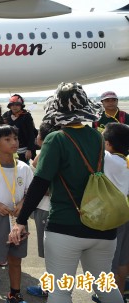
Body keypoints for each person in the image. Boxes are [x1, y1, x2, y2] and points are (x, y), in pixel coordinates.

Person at [10, 82, 123, 303]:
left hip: (66, 226)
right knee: (105, 287)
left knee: (60, 291)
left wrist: (21, 220)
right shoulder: (97, 137)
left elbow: (41, 182)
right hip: (102, 226)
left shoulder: (56, 138)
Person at [0, 125, 33, 303]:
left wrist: (22, 204)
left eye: (15, 139)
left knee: (15, 259)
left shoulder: (24, 168)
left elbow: (30, 192)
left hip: (18, 219)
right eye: (8, 139)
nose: (14, 143)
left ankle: (15, 293)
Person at [92, 123, 129, 303]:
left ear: (108, 143)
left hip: (111, 216)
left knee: (109, 263)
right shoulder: (126, 161)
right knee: (123, 261)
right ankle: (119, 296)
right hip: (125, 213)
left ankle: (106, 297)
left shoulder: (107, 159)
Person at [25, 122, 56, 298]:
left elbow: (41, 184)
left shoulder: (46, 155)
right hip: (56, 208)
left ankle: (48, 289)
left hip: (45, 208)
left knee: (50, 255)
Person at [2, 95, 38, 163]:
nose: (14, 107)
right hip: (9, 149)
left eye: (17, 105)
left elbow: (31, 133)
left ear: (21, 106)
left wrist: (29, 149)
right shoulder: (6, 115)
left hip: (23, 150)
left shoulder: (26, 116)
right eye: (12, 105)